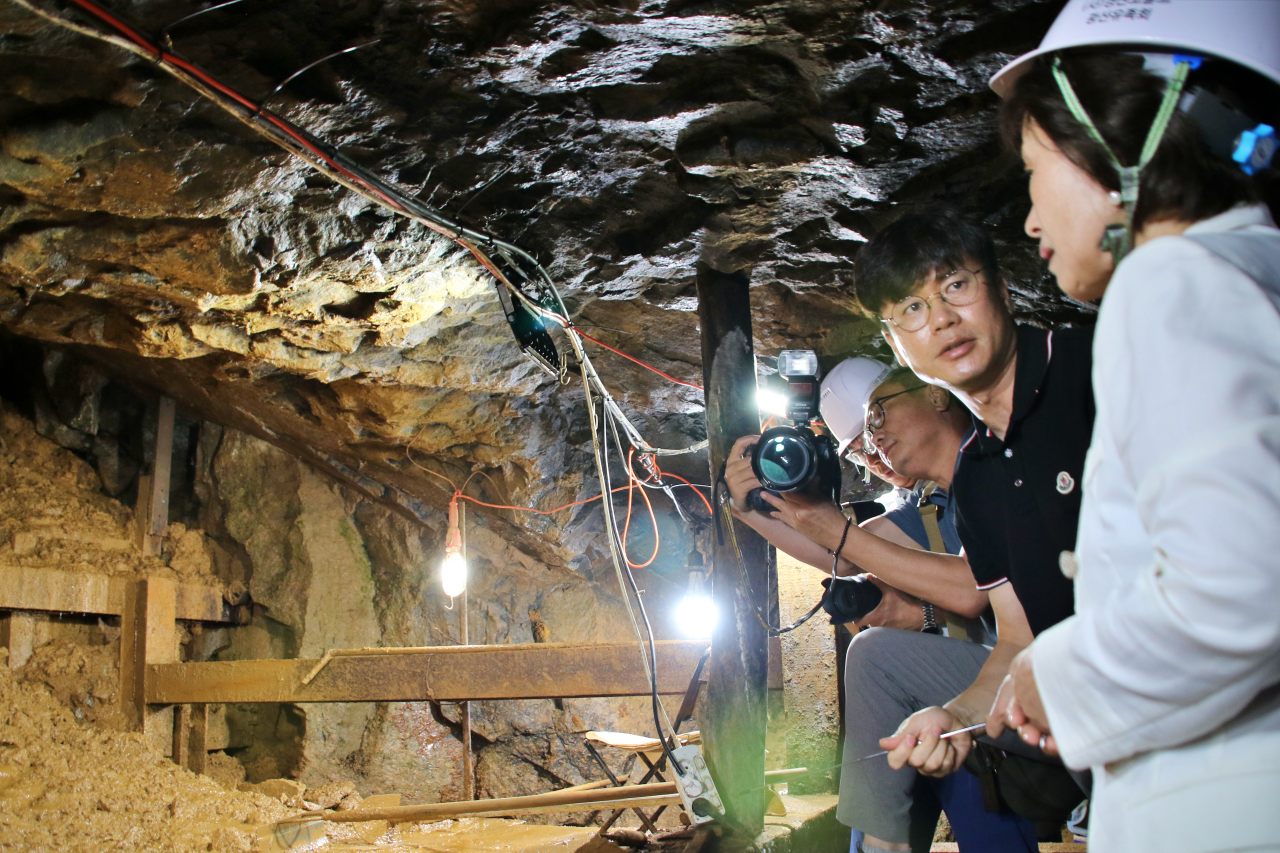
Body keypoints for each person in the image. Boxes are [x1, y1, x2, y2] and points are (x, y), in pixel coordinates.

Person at [984, 2, 1280, 849]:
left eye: (1035, 168)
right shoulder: (1257, 268)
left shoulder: (1174, 282)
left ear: (1114, 144)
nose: (1032, 218)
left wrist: (1059, 673)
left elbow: (1240, 589)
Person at [825, 208, 1094, 853]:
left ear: (1000, 290)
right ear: (898, 347)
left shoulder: (1093, 372)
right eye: (911, 310)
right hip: (1108, 746)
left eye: (955, 287)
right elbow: (1015, 644)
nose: (940, 319)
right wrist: (955, 717)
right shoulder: (978, 476)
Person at [726, 356, 1038, 852]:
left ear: (934, 393)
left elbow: (967, 591)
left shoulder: (1002, 465)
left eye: (878, 419)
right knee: (904, 700)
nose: (874, 447)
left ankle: (878, 847)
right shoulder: (941, 499)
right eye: (860, 445)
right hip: (1004, 671)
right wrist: (750, 510)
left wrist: (839, 531)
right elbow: (843, 556)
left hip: (1047, 675)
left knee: (878, 657)